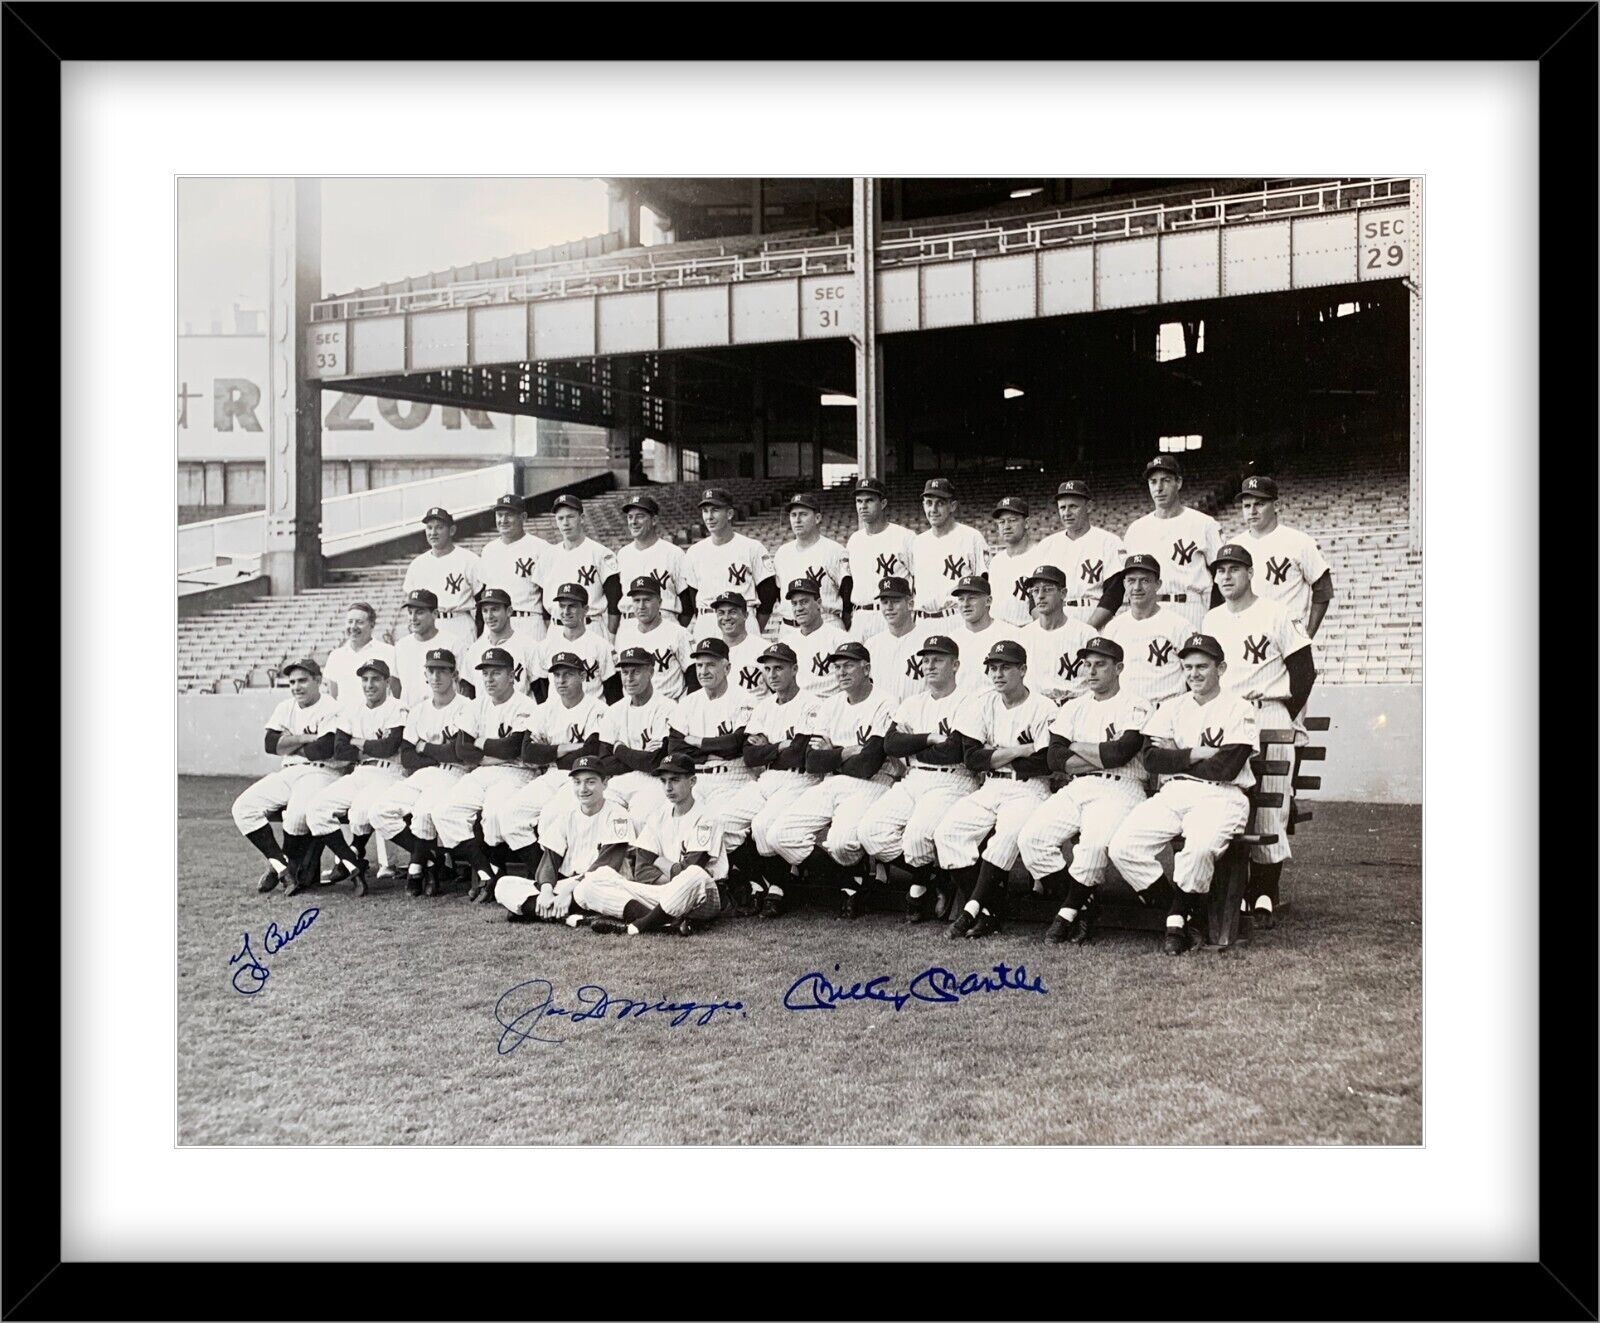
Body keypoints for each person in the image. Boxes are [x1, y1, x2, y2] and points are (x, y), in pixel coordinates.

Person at [1108, 634, 1258, 956]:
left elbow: (1227, 767)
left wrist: (1176, 756)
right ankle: (1179, 911)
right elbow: (1151, 759)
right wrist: (1196, 754)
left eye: (1202, 666)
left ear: (1222, 668)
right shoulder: (1173, 706)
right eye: (1187, 667)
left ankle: (1178, 917)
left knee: (1199, 848)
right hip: (1174, 792)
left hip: (1222, 795)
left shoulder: (1239, 708)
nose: (1194, 674)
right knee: (1123, 847)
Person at [1201, 542, 1316, 928]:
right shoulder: (1211, 619)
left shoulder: (1276, 612)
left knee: (1269, 807)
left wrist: (1285, 712)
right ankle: (1231, 887)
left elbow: (1304, 671)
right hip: (1228, 716)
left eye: (1234, 569)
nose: (1226, 576)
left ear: (1251, 573)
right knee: (1227, 798)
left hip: (1268, 710)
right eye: (1220, 571)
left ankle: (1265, 889)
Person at [1016, 637, 1151, 945]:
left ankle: (1067, 913)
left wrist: (1075, 746)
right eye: (1087, 664)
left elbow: (1121, 755)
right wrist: (1099, 756)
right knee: (1031, 840)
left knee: (1092, 847)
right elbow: (1054, 758)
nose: (1091, 671)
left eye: (1100, 664)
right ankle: (1084, 903)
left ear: (1118, 668)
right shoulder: (1075, 706)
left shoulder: (1136, 703)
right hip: (1080, 787)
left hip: (1122, 788)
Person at [765, 641, 900, 920]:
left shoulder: (886, 701)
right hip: (832, 782)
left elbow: (869, 764)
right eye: (837, 667)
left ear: (867, 668)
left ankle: (854, 881)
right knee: (779, 835)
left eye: (848, 665)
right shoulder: (830, 705)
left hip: (874, 783)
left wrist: (832, 752)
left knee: (840, 843)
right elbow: (811, 761)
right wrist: (847, 752)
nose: (841, 672)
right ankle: (849, 883)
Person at [935, 640, 1057, 940]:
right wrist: (1019, 750)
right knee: (947, 833)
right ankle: (991, 909)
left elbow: (1044, 762)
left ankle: (972, 911)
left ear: (1023, 670)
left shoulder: (1044, 706)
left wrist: (997, 753)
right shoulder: (982, 703)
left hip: (1029, 789)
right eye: (993, 668)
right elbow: (972, 759)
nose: (998, 674)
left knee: (1004, 838)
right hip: (991, 785)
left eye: (1006, 667)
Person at [857, 635, 980, 923]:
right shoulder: (913, 702)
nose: (929, 665)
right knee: (870, 832)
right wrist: (928, 738)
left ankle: (923, 883)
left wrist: (914, 746)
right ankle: (933, 876)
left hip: (953, 780)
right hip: (914, 779)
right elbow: (890, 745)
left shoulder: (970, 701)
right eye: (925, 660)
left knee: (916, 837)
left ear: (955, 665)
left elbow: (953, 752)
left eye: (938, 659)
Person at [430, 647, 543, 903]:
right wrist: (491, 752)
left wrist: (480, 742)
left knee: (493, 816)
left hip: (516, 773)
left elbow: (513, 748)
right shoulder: (476, 704)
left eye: (497, 673)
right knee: (443, 813)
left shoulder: (525, 705)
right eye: (486, 673)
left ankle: (518, 877)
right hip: (483, 770)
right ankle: (487, 872)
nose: (489, 679)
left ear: (513, 675)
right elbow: (461, 749)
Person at [367, 647, 481, 897]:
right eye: (432, 670)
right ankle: (432, 859)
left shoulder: (467, 707)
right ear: (425, 675)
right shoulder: (418, 710)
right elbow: (408, 757)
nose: (437, 676)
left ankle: (419, 870)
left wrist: (424, 747)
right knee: (378, 811)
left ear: (455, 674)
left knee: (423, 812)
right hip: (424, 774)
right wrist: (436, 752)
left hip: (456, 774)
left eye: (443, 670)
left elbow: (458, 753)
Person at [490, 652, 615, 880]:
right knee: (509, 815)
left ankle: (557, 877)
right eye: (557, 675)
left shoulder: (598, 709)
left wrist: (548, 750)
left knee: (551, 816)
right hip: (551, 775)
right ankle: (544, 875)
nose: (561, 680)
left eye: (568, 674)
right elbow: (527, 752)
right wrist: (563, 748)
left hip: (581, 779)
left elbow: (590, 752)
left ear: (582, 677)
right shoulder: (545, 709)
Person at [579, 753, 733, 937]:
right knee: (591, 881)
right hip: (665, 895)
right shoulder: (658, 816)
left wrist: (658, 860)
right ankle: (667, 923)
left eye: (675, 780)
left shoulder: (707, 818)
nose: (668, 787)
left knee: (694, 874)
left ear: (692, 781)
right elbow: (642, 872)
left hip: (702, 896)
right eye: (663, 781)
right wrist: (671, 873)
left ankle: (638, 925)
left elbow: (690, 871)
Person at [719, 642, 821, 915]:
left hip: (801, 778)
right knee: (723, 823)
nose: (772, 674)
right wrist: (778, 747)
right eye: (767, 669)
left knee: (764, 826)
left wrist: (767, 747)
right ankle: (764, 880)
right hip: (768, 778)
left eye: (779, 668)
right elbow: (749, 756)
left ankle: (779, 888)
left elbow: (799, 754)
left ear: (795, 669)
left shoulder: (811, 704)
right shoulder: (763, 706)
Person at [232, 658, 344, 896]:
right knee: (243, 807)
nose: (296, 687)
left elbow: (323, 748)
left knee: (295, 816)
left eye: (303, 680)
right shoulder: (286, 706)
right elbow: (270, 744)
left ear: (318, 680)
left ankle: (284, 870)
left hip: (321, 771)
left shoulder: (332, 707)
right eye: (292, 682)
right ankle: (281, 865)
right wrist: (305, 738)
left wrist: (289, 741)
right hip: (290, 770)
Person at [305, 658, 408, 896]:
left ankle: (350, 858)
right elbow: (340, 750)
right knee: (316, 810)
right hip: (360, 771)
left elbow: (390, 747)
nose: (369, 685)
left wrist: (357, 742)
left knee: (360, 812)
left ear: (387, 682)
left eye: (375, 679)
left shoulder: (397, 707)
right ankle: (353, 862)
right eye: (365, 679)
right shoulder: (352, 710)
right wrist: (370, 745)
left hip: (389, 772)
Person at [494, 756, 636, 924]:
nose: (583, 789)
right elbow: (550, 860)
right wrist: (546, 890)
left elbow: (607, 866)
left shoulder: (618, 815)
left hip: (601, 885)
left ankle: (537, 911)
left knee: (590, 890)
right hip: (569, 885)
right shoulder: (567, 814)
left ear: (605, 783)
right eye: (577, 782)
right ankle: (570, 914)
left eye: (590, 782)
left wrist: (568, 890)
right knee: (504, 885)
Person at [1092, 455, 1220, 634]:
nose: (1159, 488)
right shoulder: (1137, 529)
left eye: (1166, 481)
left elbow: (1220, 576)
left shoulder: (1204, 524)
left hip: (1188, 607)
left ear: (1179, 482)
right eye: (1153, 482)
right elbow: (1124, 581)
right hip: (1146, 611)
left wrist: (1214, 618)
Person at [1232, 474, 1334, 636]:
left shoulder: (1299, 541)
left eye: (1260, 504)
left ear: (1276, 505)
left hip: (1287, 629)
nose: (1252, 511)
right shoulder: (1234, 545)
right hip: (1246, 629)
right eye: (1247, 505)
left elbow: (1323, 588)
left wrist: (1309, 633)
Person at [667, 638, 758, 819]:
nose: (703, 671)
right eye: (699, 665)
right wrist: (714, 750)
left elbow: (736, 744)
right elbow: (675, 749)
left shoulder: (745, 699)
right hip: (696, 779)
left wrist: (697, 741)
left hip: (732, 777)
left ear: (727, 668)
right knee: (672, 819)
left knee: (714, 822)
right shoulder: (688, 702)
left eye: (710, 665)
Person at [597, 646, 678, 830]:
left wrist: (619, 750)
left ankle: (642, 860)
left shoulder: (667, 707)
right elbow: (603, 761)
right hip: (620, 779)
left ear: (651, 671)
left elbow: (656, 762)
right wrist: (639, 758)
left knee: (639, 818)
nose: (629, 678)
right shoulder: (614, 710)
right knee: (600, 813)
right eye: (625, 672)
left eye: (636, 671)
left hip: (655, 780)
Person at [684, 487, 778, 634]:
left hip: (742, 619)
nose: (709, 516)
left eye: (715, 510)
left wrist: (752, 628)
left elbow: (768, 596)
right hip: (707, 620)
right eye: (705, 511)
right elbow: (692, 595)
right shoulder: (694, 552)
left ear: (729, 513)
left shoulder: (752, 548)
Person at [1102, 554, 1191, 708]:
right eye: (1131, 581)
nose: (1137, 587)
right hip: (1126, 712)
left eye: (1145, 580)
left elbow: (1193, 675)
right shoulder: (1113, 628)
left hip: (1166, 710)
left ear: (1158, 584)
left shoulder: (1179, 625)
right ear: (1124, 584)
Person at [1036, 479, 1126, 624]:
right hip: (1054, 619)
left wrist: (1089, 630)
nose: (1067, 513)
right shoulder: (1047, 546)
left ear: (1088, 507)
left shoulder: (1109, 542)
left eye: (1073, 506)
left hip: (1093, 615)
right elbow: (1033, 596)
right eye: (1062, 507)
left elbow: (1114, 594)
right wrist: (1045, 625)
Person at [396, 506, 481, 658]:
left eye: (439, 527)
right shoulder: (417, 564)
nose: (433, 532)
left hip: (458, 622)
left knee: (464, 675)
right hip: (429, 626)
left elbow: (481, 601)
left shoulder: (469, 560)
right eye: (429, 528)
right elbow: (412, 606)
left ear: (452, 530)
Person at [536, 493, 622, 640]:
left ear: (581, 519)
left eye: (570, 517)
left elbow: (614, 600)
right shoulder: (547, 556)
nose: (565, 523)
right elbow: (544, 606)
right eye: (560, 518)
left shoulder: (600, 553)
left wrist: (611, 636)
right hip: (557, 629)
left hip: (590, 626)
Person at [910, 477, 991, 623]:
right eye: (929, 503)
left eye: (940, 503)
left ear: (952, 506)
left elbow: (985, 585)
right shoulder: (917, 542)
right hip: (922, 620)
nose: (933, 510)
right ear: (923, 505)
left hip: (956, 618)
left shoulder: (971, 537)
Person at [845, 476, 916, 642]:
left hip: (891, 616)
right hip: (860, 615)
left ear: (883, 503)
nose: (863, 506)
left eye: (869, 501)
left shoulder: (904, 537)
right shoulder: (854, 540)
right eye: (859, 501)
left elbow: (919, 579)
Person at [1016, 565, 1095, 706]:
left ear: (1063, 593)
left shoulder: (1086, 634)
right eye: (1035, 590)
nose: (1040, 595)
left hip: (1076, 707)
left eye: (1047, 589)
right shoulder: (1023, 636)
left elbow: (1097, 681)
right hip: (1036, 709)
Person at [477, 492, 549, 645]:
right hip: (495, 623)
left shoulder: (541, 548)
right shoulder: (488, 550)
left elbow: (547, 593)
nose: (503, 520)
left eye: (509, 515)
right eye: (499, 515)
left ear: (523, 517)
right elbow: (483, 592)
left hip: (528, 620)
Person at [774, 493, 852, 630]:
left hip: (826, 623)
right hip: (789, 626)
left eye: (803, 514)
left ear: (817, 518)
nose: (797, 520)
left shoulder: (835, 551)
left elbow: (847, 593)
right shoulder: (782, 553)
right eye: (793, 515)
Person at [533, 583, 620, 703]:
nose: (566, 611)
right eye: (562, 606)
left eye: (572, 606)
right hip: (558, 715)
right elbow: (540, 688)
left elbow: (613, 691)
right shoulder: (546, 646)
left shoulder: (601, 646)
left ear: (585, 610)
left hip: (592, 714)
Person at [613, 575, 695, 700]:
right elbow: (619, 680)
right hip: (635, 708)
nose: (641, 606)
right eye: (636, 600)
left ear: (660, 602)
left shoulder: (678, 633)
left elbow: (694, 676)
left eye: (647, 600)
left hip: (671, 705)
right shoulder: (624, 636)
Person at [934, 575, 1019, 695]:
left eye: (972, 598)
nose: (965, 604)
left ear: (988, 601)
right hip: (962, 707)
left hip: (997, 706)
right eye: (961, 599)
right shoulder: (952, 639)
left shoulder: (1009, 634)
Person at [617, 493, 692, 626]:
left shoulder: (674, 553)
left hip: (665, 621)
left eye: (640, 516)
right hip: (629, 624)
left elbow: (688, 605)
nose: (633, 522)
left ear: (654, 520)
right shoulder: (622, 555)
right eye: (630, 517)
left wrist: (676, 631)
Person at [460, 588, 541, 698]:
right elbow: (467, 694)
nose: (489, 616)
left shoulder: (528, 646)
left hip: (518, 712)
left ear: (509, 611)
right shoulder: (475, 650)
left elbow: (541, 694)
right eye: (485, 611)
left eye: (495, 609)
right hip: (484, 713)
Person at [778, 577, 851, 697]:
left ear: (819, 603)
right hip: (797, 708)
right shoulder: (786, 643)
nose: (799, 608)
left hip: (829, 705)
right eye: (794, 603)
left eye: (804, 602)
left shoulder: (840, 639)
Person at [862, 575, 924, 706]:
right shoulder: (872, 645)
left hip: (917, 717)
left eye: (895, 601)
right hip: (882, 716)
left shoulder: (926, 643)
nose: (889, 607)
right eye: (884, 602)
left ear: (910, 604)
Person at [985, 495, 1044, 628]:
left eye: (1012, 520)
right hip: (998, 632)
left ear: (1027, 523)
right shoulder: (996, 562)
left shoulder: (1040, 556)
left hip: (1027, 629)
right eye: (1001, 522)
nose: (1006, 526)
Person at [323, 602, 397, 703]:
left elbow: (396, 691)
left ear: (372, 625)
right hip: (345, 716)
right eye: (350, 622)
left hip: (377, 716)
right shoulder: (335, 656)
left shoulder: (388, 652)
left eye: (359, 622)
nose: (353, 627)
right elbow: (333, 696)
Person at [710, 590, 769, 697]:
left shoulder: (763, 649)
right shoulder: (711, 650)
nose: (726, 617)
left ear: (745, 615)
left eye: (732, 612)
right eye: (721, 613)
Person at [393, 588, 446, 705]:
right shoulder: (401, 646)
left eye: (419, 612)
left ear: (435, 614)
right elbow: (395, 685)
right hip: (410, 715)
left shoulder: (452, 643)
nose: (413, 618)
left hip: (442, 715)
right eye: (410, 612)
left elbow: (463, 687)